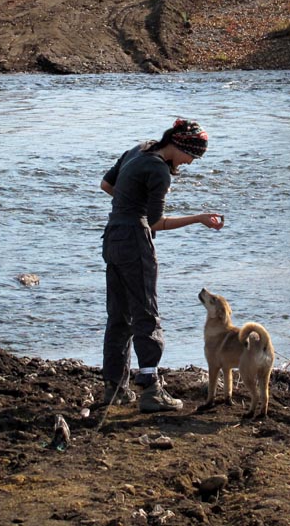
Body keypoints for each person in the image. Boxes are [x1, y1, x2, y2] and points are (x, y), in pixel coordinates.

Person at [99, 118, 224, 412]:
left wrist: (130, 203)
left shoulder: (139, 149)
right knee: (146, 313)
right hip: (134, 242)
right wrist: (199, 218)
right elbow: (156, 222)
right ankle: (152, 389)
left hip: (112, 237)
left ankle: (114, 388)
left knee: (118, 316)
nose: (192, 163)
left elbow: (107, 185)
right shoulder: (158, 170)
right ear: (181, 146)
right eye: (193, 156)